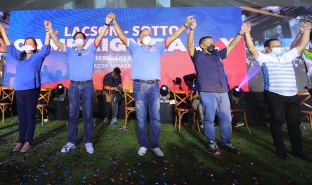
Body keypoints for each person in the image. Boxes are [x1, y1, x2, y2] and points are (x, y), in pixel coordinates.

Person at [112, 14, 193, 157]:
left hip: (154, 87)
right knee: (141, 117)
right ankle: (143, 144)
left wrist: (185, 25)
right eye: (144, 35)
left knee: (155, 117)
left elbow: (173, 36)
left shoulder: (158, 47)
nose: (147, 36)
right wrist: (114, 22)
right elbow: (121, 36)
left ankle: (155, 145)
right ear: (140, 38)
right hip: (139, 86)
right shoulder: (135, 47)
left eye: (149, 34)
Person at [45, 13, 113, 154]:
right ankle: (71, 142)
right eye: (76, 38)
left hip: (88, 85)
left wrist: (106, 24)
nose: (78, 40)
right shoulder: (70, 51)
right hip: (74, 86)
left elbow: (99, 37)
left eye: (80, 38)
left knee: (88, 115)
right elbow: (57, 43)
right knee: (72, 115)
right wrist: (50, 30)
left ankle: (88, 142)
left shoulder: (90, 49)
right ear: (74, 41)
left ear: (85, 40)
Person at [245, 20, 312, 161]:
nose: (279, 47)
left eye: (280, 45)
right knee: (277, 121)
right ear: (268, 49)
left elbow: (302, 45)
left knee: (294, 123)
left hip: (293, 94)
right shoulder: (263, 58)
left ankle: (298, 150)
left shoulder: (287, 56)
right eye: (275, 46)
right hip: (274, 94)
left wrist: (306, 30)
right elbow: (251, 49)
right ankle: (281, 150)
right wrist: (247, 32)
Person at [187, 18, 249, 154]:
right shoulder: (197, 56)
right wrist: (192, 30)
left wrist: (240, 33)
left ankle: (226, 142)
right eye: (208, 43)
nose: (212, 44)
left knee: (226, 118)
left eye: (212, 42)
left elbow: (231, 46)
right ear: (202, 46)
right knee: (209, 118)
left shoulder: (217, 54)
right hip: (207, 92)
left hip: (223, 91)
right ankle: (211, 142)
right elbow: (190, 45)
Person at [0, 24, 51, 153]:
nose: (28, 44)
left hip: (32, 90)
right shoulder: (20, 57)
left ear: (34, 46)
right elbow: (9, 46)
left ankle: (28, 141)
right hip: (19, 90)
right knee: (21, 117)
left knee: (30, 116)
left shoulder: (38, 56)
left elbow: (46, 47)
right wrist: (4, 33)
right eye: (26, 42)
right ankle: (20, 140)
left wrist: (48, 31)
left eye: (31, 43)